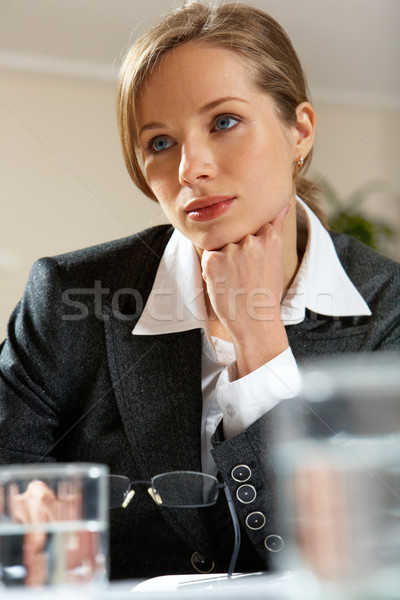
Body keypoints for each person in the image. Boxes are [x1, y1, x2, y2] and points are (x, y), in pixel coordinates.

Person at [0, 0, 399, 582]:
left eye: (224, 122)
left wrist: (258, 339)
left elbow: (366, 558)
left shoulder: (388, 310)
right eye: (160, 142)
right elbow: (17, 537)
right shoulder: (66, 296)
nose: (191, 167)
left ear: (300, 131)